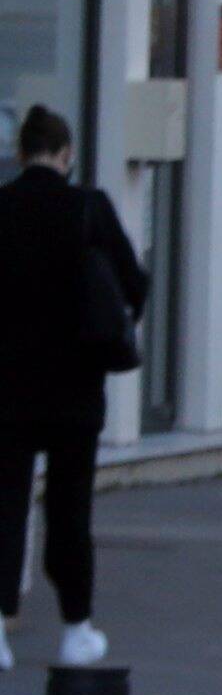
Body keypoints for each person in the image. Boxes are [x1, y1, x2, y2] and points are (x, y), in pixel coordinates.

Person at [0, 107, 139, 664]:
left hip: (8, 388)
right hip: (76, 388)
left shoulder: (2, 207)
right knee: (70, 508)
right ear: (66, 154)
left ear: (20, 153)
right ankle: (76, 628)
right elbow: (133, 282)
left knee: (6, 503)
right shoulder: (89, 207)